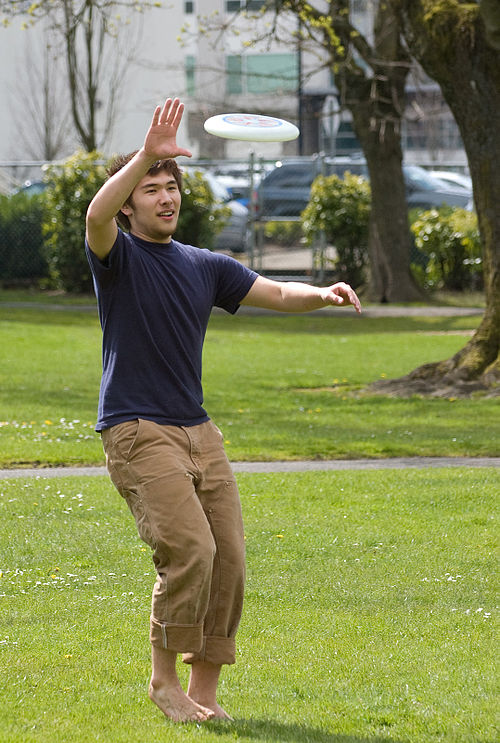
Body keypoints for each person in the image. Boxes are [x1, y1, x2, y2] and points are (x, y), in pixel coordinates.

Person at [85, 97, 361, 724]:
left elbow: (276, 290)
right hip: (137, 427)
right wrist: (145, 155)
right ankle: (163, 681)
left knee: (228, 556)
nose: (164, 196)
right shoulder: (119, 259)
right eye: (150, 188)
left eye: (170, 186)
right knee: (190, 551)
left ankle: (204, 692)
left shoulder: (203, 266)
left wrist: (322, 292)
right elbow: (96, 214)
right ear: (132, 203)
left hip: (197, 429)